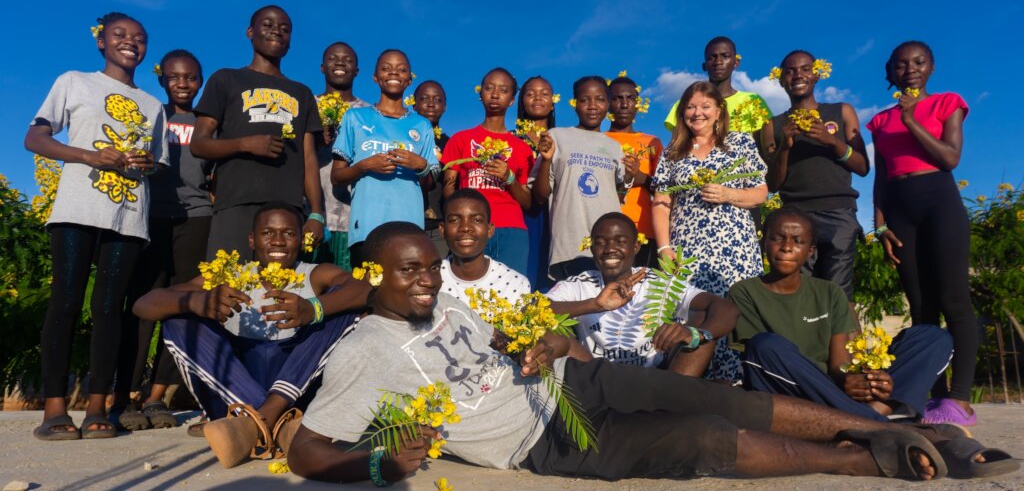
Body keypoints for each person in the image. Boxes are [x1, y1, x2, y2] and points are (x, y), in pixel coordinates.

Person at [286, 221, 1011, 484]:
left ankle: (897, 428)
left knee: (711, 396)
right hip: (544, 439)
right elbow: (308, 451)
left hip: (579, 378)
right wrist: (379, 465)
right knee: (697, 439)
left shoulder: (448, 301)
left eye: (429, 265)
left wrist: (548, 341)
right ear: (373, 275)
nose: (427, 279)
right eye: (410, 270)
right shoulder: (363, 352)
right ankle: (871, 457)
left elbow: (546, 337)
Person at [132, 202, 371, 468]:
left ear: (302, 240)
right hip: (235, 392)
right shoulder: (230, 275)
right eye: (268, 233)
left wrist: (313, 308)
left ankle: (257, 424)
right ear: (252, 240)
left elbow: (365, 289)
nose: (278, 241)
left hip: (296, 385)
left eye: (289, 233)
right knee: (178, 320)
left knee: (343, 312)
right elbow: (143, 305)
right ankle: (275, 427)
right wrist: (198, 302)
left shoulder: (315, 274)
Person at [25, 11, 168, 440]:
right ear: (101, 42)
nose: (131, 42)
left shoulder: (153, 105)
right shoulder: (74, 81)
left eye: (139, 38)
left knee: (108, 310)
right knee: (66, 303)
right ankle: (54, 411)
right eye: (120, 35)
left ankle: (96, 407)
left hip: (127, 216)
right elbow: (35, 138)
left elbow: (159, 164)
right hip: (77, 209)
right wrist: (89, 155)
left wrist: (148, 165)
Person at [733, 208, 953, 422]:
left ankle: (865, 417)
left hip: (833, 390)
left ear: (810, 250)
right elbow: (760, 363)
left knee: (933, 338)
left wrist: (861, 381)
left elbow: (840, 365)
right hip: (794, 392)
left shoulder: (829, 292)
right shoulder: (744, 291)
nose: (787, 248)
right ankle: (873, 421)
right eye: (777, 239)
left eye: (798, 241)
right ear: (763, 243)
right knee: (764, 346)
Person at [867, 41, 978, 426]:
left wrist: (912, 119)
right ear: (891, 71)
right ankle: (935, 396)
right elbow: (881, 178)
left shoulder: (948, 102)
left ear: (931, 67)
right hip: (899, 211)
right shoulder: (880, 121)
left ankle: (961, 400)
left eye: (918, 62)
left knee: (953, 299)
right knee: (921, 306)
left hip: (939, 202)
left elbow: (950, 158)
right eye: (901, 64)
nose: (910, 69)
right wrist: (880, 225)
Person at [114, 49, 211, 431]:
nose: (183, 84)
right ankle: (125, 395)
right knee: (140, 307)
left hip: (197, 217)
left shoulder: (208, 121)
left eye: (190, 77)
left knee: (182, 306)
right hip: (151, 216)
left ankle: (157, 397)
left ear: (200, 81)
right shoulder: (150, 113)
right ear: (162, 80)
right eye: (174, 77)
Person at [651, 81, 767, 382]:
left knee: (735, 312)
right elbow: (662, 203)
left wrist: (730, 195)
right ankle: (689, 386)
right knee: (691, 311)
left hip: (734, 248)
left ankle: (736, 385)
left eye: (705, 106)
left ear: (718, 111)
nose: (697, 112)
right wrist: (664, 248)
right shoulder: (673, 152)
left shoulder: (739, 143)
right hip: (686, 248)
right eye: (690, 106)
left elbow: (760, 193)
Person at [191, 5, 324, 260]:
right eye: (269, 25)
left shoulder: (303, 93)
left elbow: (309, 157)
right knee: (226, 287)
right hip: (235, 203)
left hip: (288, 209)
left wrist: (316, 213)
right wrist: (245, 144)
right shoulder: (226, 79)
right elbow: (199, 144)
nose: (277, 32)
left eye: (285, 29)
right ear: (250, 32)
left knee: (281, 292)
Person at [549, 212, 738, 375]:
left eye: (620, 242)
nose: (609, 250)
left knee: (702, 326)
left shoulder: (659, 281)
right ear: (592, 249)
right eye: (600, 243)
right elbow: (531, 310)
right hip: (597, 380)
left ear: (635, 247)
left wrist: (695, 335)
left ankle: (675, 403)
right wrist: (594, 304)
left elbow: (727, 310)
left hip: (653, 381)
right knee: (546, 328)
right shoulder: (580, 284)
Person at [761, 50, 869, 300]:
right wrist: (785, 147)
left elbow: (863, 167)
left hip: (839, 214)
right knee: (797, 294)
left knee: (838, 294)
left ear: (817, 74)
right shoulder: (772, 126)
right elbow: (773, 185)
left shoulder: (840, 112)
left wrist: (831, 140)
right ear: (781, 80)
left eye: (805, 69)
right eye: (790, 71)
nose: (798, 75)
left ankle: (847, 341)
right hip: (795, 217)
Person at [331, 49, 438, 266]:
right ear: (375, 77)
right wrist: (365, 166)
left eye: (401, 69)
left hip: (410, 227)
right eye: (386, 68)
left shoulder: (422, 125)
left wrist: (420, 165)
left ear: (409, 79)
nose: (393, 73)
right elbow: (337, 176)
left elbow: (429, 181)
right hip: (367, 226)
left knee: (405, 295)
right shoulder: (355, 117)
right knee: (367, 293)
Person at [531, 76, 632, 281]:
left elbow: (618, 197)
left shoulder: (614, 146)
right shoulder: (557, 136)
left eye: (600, 99)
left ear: (608, 103)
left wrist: (628, 175)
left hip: (608, 245)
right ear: (575, 104)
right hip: (570, 244)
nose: (593, 106)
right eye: (585, 100)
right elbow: (541, 195)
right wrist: (547, 161)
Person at [442, 68, 533, 274]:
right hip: (470, 227)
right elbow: (449, 190)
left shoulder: (522, 148)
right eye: (489, 88)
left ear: (511, 100)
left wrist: (509, 177)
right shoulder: (460, 139)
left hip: (511, 228)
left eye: (503, 90)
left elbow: (527, 201)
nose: (495, 94)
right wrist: (459, 217)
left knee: (512, 294)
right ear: (480, 94)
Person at [314, 42, 371, 269]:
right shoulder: (308, 105)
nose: (340, 62)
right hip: (313, 215)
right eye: (333, 58)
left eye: (347, 60)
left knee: (347, 292)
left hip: (353, 219)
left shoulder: (368, 113)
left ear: (357, 71)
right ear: (321, 67)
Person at [605, 75, 664, 267]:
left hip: (643, 230)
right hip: (604, 229)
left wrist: (642, 178)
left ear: (638, 104)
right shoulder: (597, 139)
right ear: (607, 103)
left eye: (630, 98)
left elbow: (665, 189)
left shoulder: (652, 142)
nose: (624, 104)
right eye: (617, 98)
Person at [663, 36, 772, 137]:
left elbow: (764, 145)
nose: (718, 62)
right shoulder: (686, 104)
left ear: (736, 63)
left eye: (725, 56)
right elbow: (679, 145)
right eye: (711, 58)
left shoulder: (753, 101)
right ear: (704, 66)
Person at [438, 189, 531, 302]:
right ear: (442, 230)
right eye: (454, 220)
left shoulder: (515, 284)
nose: (466, 228)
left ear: (490, 230)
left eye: (477, 220)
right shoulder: (430, 281)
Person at [514, 76, 557, 290]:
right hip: (521, 214)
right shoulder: (510, 139)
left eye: (544, 93)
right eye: (530, 93)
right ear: (521, 101)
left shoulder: (563, 139)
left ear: (553, 102)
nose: (537, 98)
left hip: (554, 213)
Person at [413, 80, 450, 258]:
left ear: (444, 107)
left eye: (437, 99)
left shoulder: (449, 143)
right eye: (424, 98)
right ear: (414, 104)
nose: (431, 104)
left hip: (436, 225)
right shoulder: (402, 137)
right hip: (405, 221)